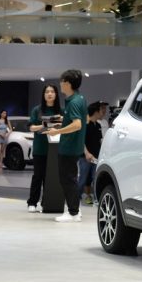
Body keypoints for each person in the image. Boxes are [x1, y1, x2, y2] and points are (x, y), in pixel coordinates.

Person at [44, 69, 87, 223]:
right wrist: (63, 121)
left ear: (68, 83)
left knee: (67, 179)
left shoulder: (74, 102)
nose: (60, 84)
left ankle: (73, 213)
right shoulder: (79, 98)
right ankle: (75, 210)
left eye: (62, 81)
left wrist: (57, 131)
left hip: (69, 147)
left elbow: (77, 124)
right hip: (73, 146)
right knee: (71, 179)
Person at [26, 84, 62, 213]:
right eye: (47, 92)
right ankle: (32, 202)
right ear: (44, 94)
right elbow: (31, 127)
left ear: (56, 94)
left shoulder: (61, 111)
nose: (49, 94)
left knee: (51, 178)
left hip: (55, 148)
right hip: (40, 148)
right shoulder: (37, 110)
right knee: (38, 176)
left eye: (52, 91)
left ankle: (46, 202)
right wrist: (44, 125)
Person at [78, 102, 103, 206]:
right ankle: (75, 197)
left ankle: (97, 199)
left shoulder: (98, 125)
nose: (103, 112)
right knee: (83, 179)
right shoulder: (85, 125)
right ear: (96, 112)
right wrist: (87, 153)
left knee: (95, 178)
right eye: (101, 110)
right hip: (85, 157)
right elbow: (81, 141)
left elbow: (100, 141)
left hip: (96, 157)